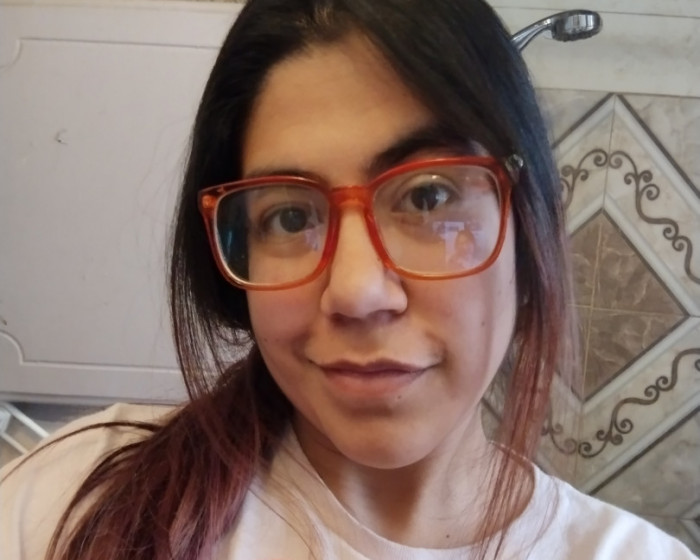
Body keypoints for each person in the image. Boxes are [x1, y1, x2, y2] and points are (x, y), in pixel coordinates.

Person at [1, 1, 697, 559]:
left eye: (428, 197)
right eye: (289, 216)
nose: (358, 292)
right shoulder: (75, 503)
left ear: (528, 222)